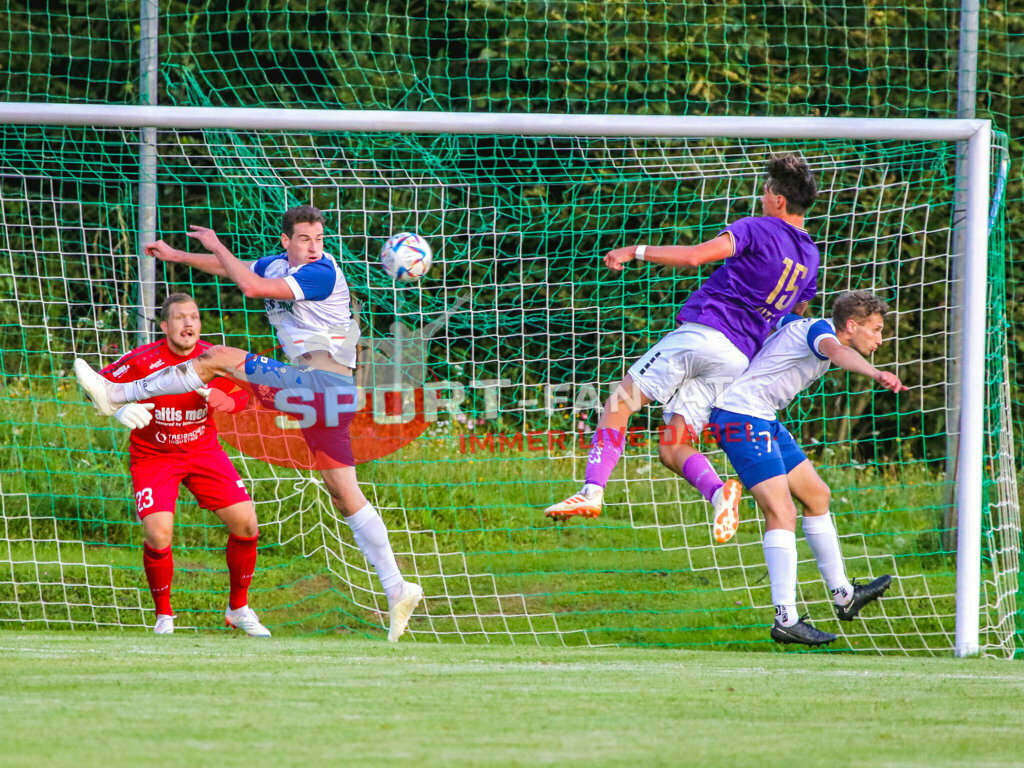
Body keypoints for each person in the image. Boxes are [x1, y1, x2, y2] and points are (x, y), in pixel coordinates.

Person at [74, 206, 423, 642]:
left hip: (319, 385)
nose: (314, 247)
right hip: (327, 395)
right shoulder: (278, 264)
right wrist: (179, 256)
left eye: (319, 239)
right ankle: (397, 587)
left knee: (216, 357)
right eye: (305, 239)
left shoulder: (321, 273)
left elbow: (251, 286)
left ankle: (117, 394)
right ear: (286, 241)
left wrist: (216, 242)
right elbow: (233, 268)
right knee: (344, 494)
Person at [545, 154, 821, 546]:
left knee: (619, 404)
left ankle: (591, 491)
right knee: (672, 445)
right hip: (737, 359)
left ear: (779, 199)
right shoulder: (810, 256)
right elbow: (796, 311)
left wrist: (634, 251)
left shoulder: (757, 228)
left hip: (703, 335)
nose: (761, 197)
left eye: (765, 191)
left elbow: (694, 257)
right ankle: (719, 494)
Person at [708, 290, 906, 646]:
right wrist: (876, 373)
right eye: (876, 330)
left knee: (817, 496)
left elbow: (776, 321)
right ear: (851, 326)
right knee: (781, 511)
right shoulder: (821, 333)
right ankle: (786, 618)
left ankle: (844, 595)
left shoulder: (802, 324)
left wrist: (795, 297)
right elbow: (838, 352)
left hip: (762, 418)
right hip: (741, 416)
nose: (880, 339)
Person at [100, 292, 268, 637]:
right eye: (180, 317)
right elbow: (95, 385)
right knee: (157, 533)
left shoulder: (214, 357)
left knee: (247, 524)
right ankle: (164, 617)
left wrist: (227, 400)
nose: (188, 323)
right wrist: (118, 408)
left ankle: (238, 608)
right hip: (154, 456)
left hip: (203, 452)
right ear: (164, 326)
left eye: (194, 317)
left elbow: (243, 393)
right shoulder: (142, 360)